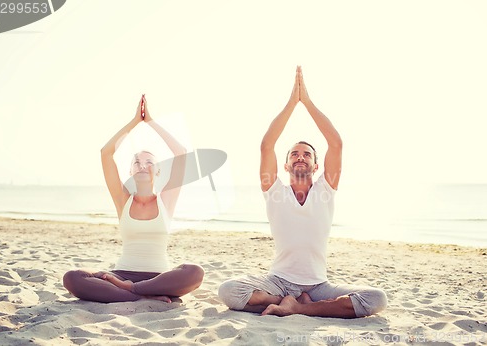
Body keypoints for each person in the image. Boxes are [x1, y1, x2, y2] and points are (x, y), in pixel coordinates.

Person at [218, 67, 387, 318]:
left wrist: (306, 102)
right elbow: (267, 145)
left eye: (307, 154)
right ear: (285, 165)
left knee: (375, 298)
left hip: (318, 286)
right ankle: (283, 301)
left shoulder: (326, 189)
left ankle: (299, 307)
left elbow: (336, 143)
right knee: (228, 291)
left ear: (316, 166)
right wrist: (291, 103)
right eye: (294, 154)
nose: (300, 157)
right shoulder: (274, 191)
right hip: (278, 281)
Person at [63, 95, 204, 303]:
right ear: (130, 171)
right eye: (137, 162)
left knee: (194, 272)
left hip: (159, 278)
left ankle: (134, 291)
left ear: (157, 172)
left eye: (149, 162)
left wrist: (150, 121)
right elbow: (106, 153)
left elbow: (180, 152)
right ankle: (141, 293)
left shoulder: (166, 200)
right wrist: (134, 122)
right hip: (121, 275)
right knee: (72, 277)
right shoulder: (123, 200)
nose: (142, 165)